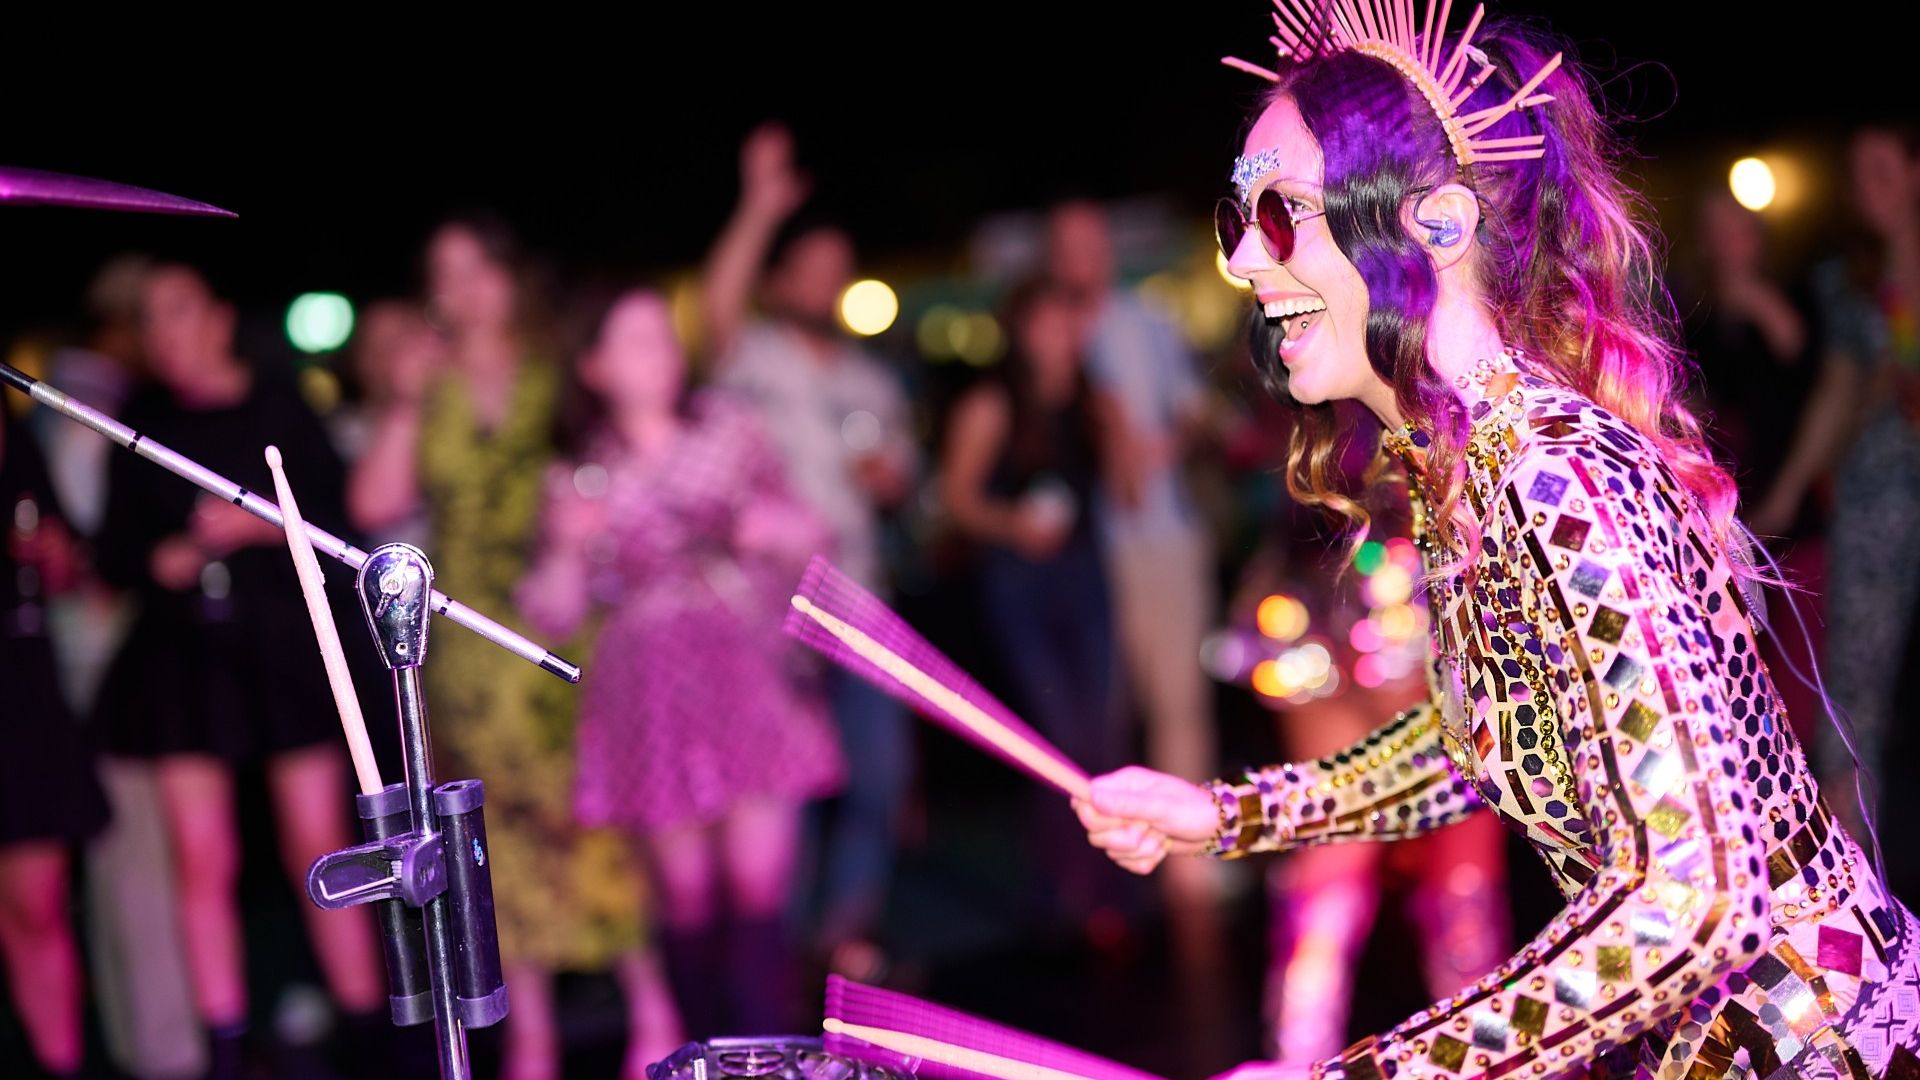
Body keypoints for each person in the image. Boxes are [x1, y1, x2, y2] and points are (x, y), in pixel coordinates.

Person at [1077, 8, 1920, 1079]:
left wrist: (1369, 1073)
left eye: (1283, 214)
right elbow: (1480, 742)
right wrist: (1222, 814)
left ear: (1435, 224)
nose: (1244, 259)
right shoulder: (1475, 465)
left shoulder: (1552, 475)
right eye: (1237, 218)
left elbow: (1697, 898)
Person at [347, 218, 644, 1080]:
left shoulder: (557, 368)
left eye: (478, 267)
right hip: (464, 633)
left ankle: (652, 1004)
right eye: (444, 272)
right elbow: (373, 502)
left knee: (594, 809)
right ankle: (533, 1032)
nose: (463, 288)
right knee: (489, 832)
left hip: (560, 618)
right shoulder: (429, 381)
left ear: (511, 276)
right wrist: (406, 399)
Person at [518, 287, 842, 1042]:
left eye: (664, 337)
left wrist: (771, 528)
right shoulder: (580, 472)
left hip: (743, 663)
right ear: (594, 366)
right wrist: (565, 548)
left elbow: (810, 531)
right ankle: (708, 1048)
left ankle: (768, 1049)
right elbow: (554, 612)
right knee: (686, 892)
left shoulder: (730, 431)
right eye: (635, 341)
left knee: (759, 882)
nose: (659, 354)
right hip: (650, 689)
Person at [92, 264, 384, 1078]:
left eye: (179, 312)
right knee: (202, 857)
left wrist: (262, 527)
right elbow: (113, 554)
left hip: (283, 648)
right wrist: (163, 558)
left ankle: (369, 1035)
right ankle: (224, 1047)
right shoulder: (139, 422)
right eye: (151, 319)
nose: (164, 333)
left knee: (319, 845)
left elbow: (342, 523)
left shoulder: (279, 406)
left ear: (220, 319)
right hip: (186, 659)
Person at [701, 124, 917, 975]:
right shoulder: (754, 359)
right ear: (784, 280)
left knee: (879, 773)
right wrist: (758, 207)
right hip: (770, 605)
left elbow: (901, 476)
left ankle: (848, 932)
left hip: (861, 596)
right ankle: (782, 947)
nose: (828, 283)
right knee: (786, 780)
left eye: (840, 270)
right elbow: (716, 306)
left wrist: (891, 480)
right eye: (814, 269)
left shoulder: (871, 380)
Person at [940, 277, 1123, 926]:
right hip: (1020, 581)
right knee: (1055, 737)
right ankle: (1060, 896)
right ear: (1020, 333)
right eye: (1046, 323)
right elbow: (956, 500)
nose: (1060, 336)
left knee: (1103, 730)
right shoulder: (992, 404)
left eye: (1068, 321)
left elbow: (1126, 487)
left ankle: (1105, 891)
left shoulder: (1094, 400)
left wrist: (1128, 432)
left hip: (1085, 574)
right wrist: (1013, 523)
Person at [1752, 127, 1920, 808]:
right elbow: (1835, 390)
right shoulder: (1850, 280)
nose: (1865, 188)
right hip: (1879, 492)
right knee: (1852, 685)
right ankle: (1851, 859)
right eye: (1856, 174)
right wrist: (1789, 489)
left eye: (1881, 169)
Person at [0, 406, 110, 1078]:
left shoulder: (20, 442)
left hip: (21, 686)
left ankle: (59, 1064)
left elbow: (67, 574)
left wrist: (57, 556)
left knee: (37, 905)